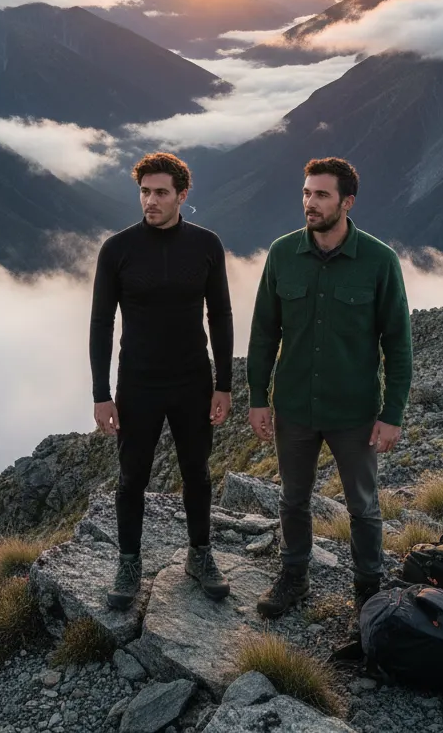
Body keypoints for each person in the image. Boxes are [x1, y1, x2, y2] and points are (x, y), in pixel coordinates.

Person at [247, 157, 412, 619]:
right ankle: (293, 577)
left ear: (347, 202)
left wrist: (392, 412)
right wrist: (258, 397)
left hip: (355, 411)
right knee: (292, 499)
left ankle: (368, 591)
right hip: (295, 407)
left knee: (363, 506)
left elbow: (399, 344)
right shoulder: (282, 254)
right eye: (305, 193)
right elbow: (264, 333)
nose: (310, 203)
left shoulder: (379, 261)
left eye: (321, 195)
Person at [89, 152, 233, 609]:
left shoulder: (207, 245)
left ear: (182, 195)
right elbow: (100, 324)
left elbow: (221, 315)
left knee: (197, 472)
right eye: (145, 192)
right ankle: (128, 562)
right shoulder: (117, 249)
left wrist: (224, 383)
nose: (150, 201)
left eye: (160, 193)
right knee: (132, 477)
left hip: (193, 379)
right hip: (138, 383)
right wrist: (101, 394)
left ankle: (200, 554)